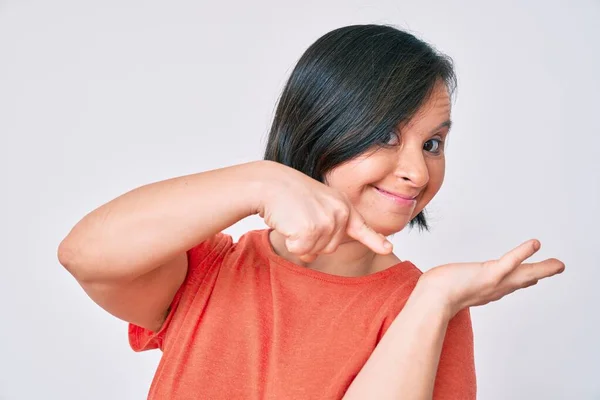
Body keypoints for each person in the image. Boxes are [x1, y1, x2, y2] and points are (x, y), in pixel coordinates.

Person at [57, 24, 565, 399]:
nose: (417, 170)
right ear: (320, 127)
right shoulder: (209, 271)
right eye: (387, 135)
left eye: (432, 143)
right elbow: (83, 254)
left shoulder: (429, 310)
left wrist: (433, 301)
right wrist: (260, 179)